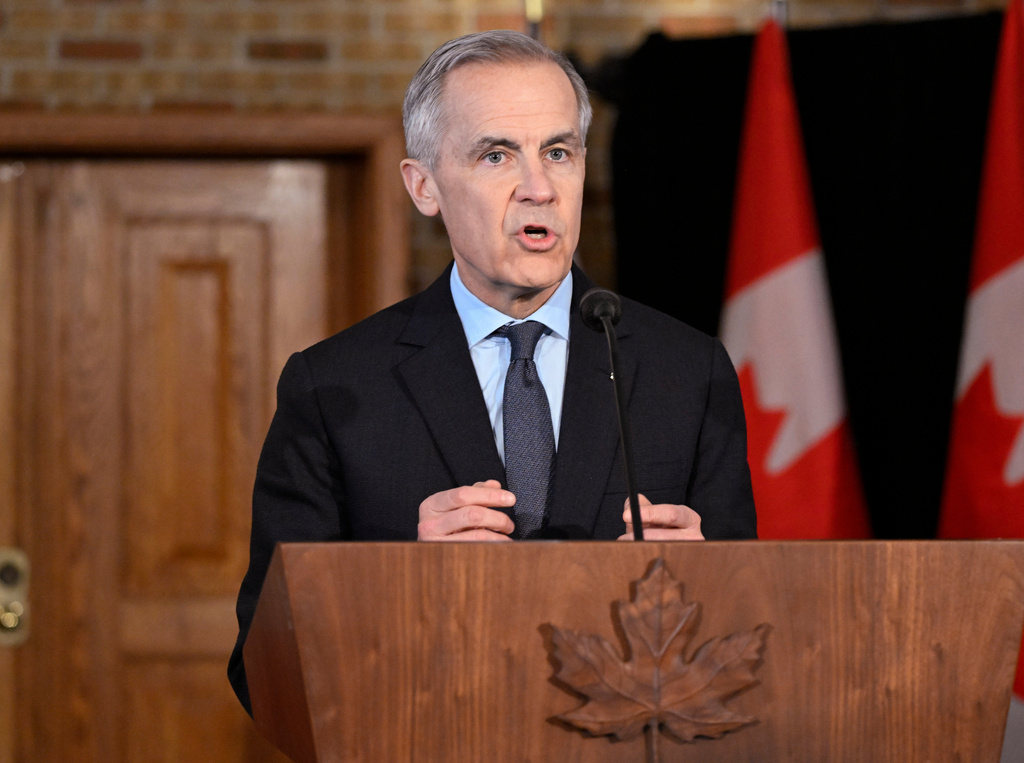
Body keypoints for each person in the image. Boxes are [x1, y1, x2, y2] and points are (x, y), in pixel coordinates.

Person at [228, 29, 756, 715]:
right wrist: (399, 587)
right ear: (424, 187)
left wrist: (706, 583)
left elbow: (751, 640)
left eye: (558, 153)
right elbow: (265, 673)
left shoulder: (687, 373)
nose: (538, 189)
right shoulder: (334, 391)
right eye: (497, 154)